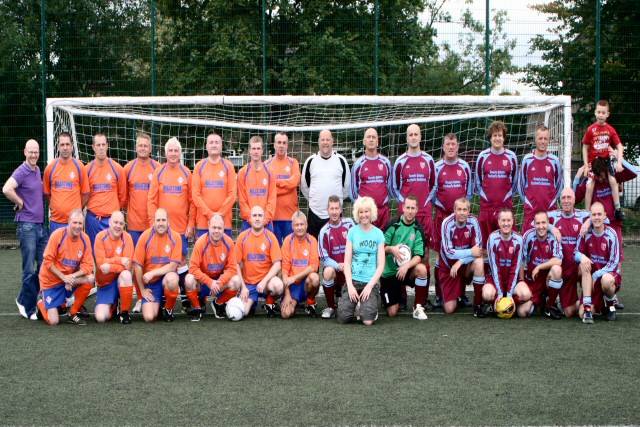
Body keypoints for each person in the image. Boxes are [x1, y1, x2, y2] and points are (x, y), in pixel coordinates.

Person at [3, 139, 48, 319]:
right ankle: (29, 309)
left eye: (36, 152)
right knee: (29, 269)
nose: (34, 155)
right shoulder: (22, 170)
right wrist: (20, 202)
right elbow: (7, 188)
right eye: (31, 152)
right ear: (24, 152)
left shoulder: (36, 170)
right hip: (27, 226)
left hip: (39, 226)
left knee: (44, 266)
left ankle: (23, 299)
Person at [430, 132, 473, 308]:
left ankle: (461, 294)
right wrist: (448, 211)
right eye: (447, 144)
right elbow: (432, 193)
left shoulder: (464, 167)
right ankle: (441, 294)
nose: (450, 147)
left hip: (461, 218)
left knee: (462, 252)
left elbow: (469, 193)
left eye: (453, 144)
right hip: (442, 216)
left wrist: (459, 211)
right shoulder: (437, 167)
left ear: (457, 146)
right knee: (442, 256)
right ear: (443, 146)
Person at [36, 209, 94, 326]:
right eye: (74, 223)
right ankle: (41, 302)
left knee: (90, 278)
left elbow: (88, 265)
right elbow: (47, 261)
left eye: (80, 223)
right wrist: (63, 277)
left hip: (68, 279)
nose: (77, 226)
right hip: (51, 281)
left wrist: (71, 277)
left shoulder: (85, 238)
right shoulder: (57, 235)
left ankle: (72, 313)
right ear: (68, 222)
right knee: (53, 321)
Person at [185, 214, 242, 321]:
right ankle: (197, 308)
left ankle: (218, 304)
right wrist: (209, 282)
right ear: (208, 226)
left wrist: (219, 282)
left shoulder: (229, 242)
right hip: (204, 283)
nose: (216, 231)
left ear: (224, 228)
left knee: (236, 281)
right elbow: (192, 268)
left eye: (219, 228)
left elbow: (232, 268)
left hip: (219, 284)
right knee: (189, 279)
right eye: (214, 227)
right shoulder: (201, 242)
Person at [380, 195, 429, 320]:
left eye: (413, 208)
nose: (410, 211)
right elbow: (380, 248)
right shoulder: (393, 224)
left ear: (417, 209)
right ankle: (387, 295)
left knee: (422, 269)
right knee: (392, 312)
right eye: (408, 207)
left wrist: (406, 266)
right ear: (403, 208)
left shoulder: (418, 229)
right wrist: (392, 249)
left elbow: (418, 256)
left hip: (406, 271)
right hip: (390, 273)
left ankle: (418, 307)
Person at [338, 196, 385, 326]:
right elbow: (346, 263)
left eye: (366, 211)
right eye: (361, 212)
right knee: (343, 318)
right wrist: (350, 286)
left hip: (369, 283)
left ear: (372, 213)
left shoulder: (378, 234)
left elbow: (381, 265)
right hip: (353, 281)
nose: (364, 215)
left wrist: (370, 286)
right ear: (357, 214)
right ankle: (355, 304)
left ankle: (370, 305)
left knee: (368, 321)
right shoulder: (352, 232)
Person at [546, 188, 591, 318]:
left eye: (569, 197)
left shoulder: (582, 215)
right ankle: (577, 303)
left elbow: (604, 219)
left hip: (578, 267)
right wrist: (551, 227)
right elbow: (534, 222)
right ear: (560, 200)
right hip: (564, 270)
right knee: (569, 312)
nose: (566, 201)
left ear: (574, 199)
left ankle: (589, 302)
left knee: (586, 266)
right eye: (563, 198)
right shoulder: (554, 216)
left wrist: (588, 222)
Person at [148, 137, 194, 260]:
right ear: (166, 153)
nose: (173, 153)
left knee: (181, 262)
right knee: (162, 261)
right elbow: (151, 200)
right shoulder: (158, 172)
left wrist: (191, 224)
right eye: (170, 150)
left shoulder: (187, 173)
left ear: (180, 153)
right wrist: (153, 222)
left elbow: (192, 201)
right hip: (162, 227)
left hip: (181, 228)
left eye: (175, 150)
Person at [574, 202, 621, 324]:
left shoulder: (611, 234)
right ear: (590, 217)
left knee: (606, 280)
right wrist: (582, 257)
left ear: (605, 216)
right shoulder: (586, 232)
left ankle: (610, 304)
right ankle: (588, 309)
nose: (596, 217)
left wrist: (597, 275)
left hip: (607, 276)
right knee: (581, 313)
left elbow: (614, 262)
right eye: (593, 214)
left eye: (599, 214)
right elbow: (575, 252)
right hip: (591, 281)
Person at [133, 208, 182, 322]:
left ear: (168, 222)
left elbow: (173, 266)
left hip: (165, 278)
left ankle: (168, 309)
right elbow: (137, 265)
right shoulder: (145, 236)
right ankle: (159, 304)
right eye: (158, 220)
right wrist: (142, 291)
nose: (161, 223)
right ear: (153, 222)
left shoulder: (176, 237)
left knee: (173, 279)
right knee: (149, 317)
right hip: (151, 283)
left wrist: (152, 272)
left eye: (163, 220)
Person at [438, 198, 485, 316]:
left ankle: (478, 305)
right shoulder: (447, 223)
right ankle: (457, 295)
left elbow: (478, 251)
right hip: (449, 266)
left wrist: (461, 261)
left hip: (464, 265)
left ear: (469, 211)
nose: (462, 212)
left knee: (479, 262)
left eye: (465, 209)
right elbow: (448, 252)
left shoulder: (473, 222)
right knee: (449, 309)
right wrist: (469, 251)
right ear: (454, 210)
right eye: (459, 209)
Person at [234, 205, 284, 317]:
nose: (257, 218)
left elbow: (277, 264)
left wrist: (264, 281)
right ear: (249, 219)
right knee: (243, 313)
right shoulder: (242, 237)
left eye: (260, 215)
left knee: (278, 286)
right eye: (254, 215)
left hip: (265, 284)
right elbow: (236, 264)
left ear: (264, 218)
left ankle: (269, 302)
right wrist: (243, 287)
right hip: (249, 285)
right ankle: (252, 302)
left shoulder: (271, 237)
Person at [474, 121, 518, 244]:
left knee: (506, 243)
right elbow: (478, 182)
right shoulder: (482, 156)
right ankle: (486, 264)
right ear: (490, 138)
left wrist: (506, 198)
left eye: (499, 135)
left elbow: (514, 183)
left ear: (504, 138)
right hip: (486, 208)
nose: (497, 138)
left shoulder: (511, 157)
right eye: (494, 135)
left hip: (505, 208)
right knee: (485, 244)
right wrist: (486, 198)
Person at [301, 129, 351, 237]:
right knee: (314, 249)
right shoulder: (310, 161)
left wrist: (336, 205)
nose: (325, 142)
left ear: (332, 141)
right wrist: (315, 200)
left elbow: (346, 188)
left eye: (328, 139)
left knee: (337, 247)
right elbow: (304, 187)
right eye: (322, 140)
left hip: (335, 214)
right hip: (315, 214)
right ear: (318, 142)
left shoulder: (341, 160)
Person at [485, 209, 532, 318]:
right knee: (487, 294)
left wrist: (509, 295)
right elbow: (494, 269)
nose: (506, 223)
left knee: (526, 294)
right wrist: (501, 293)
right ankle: (495, 305)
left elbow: (515, 269)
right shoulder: (492, 238)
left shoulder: (519, 239)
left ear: (513, 221)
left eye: (508, 220)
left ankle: (510, 304)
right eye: (503, 220)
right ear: (498, 222)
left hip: (513, 280)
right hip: (495, 278)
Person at [582, 100, 625, 219]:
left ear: (607, 114)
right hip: (594, 161)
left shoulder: (610, 130)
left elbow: (620, 146)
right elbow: (585, 147)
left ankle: (617, 209)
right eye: (599, 112)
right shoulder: (591, 129)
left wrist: (619, 163)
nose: (601, 114)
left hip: (606, 160)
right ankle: (586, 212)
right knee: (589, 185)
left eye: (603, 112)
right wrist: (586, 165)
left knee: (613, 180)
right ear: (595, 113)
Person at [192, 131, 237, 239]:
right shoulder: (199, 166)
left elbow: (232, 195)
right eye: (211, 142)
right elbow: (195, 195)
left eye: (217, 142)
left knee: (224, 255)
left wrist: (219, 214)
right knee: (204, 255)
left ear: (221, 146)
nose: (214, 145)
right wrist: (210, 215)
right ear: (206, 146)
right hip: (203, 222)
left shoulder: (229, 166)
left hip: (224, 222)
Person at [518, 125, 563, 232]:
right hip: (531, 209)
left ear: (549, 140)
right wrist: (528, 202)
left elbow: (559, 185)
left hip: (549, 209)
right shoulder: (527, 160)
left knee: (549, 243)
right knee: (529, 241)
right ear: (535, 139)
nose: (543, 141)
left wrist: (552, 201)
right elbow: (521, 185)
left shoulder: (554, 161)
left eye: (545, 138)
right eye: (540, 138)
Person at [93, 211, 135, 324]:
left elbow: (128, 266)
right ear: (110, 223)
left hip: (121, 280)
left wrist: (110, 265)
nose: (118, 226)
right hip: (105, 283)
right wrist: (120, 260)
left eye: (121, 223)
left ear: (124, 225)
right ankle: (113, 305)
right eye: (115, 222)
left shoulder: (127, 238)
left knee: (126, 275)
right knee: (100, 317)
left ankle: (124, 313)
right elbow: (101, 265)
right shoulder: (100, 237)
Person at [42, 132, 89, 232]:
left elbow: (85, 194)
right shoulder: (50, 168)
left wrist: (76, 208)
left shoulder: (80, 167)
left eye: (67, 144)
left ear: (72, 146)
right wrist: (57, 207)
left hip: (75, 223)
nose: (65, 147)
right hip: (56, 222)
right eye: (62, 145)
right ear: (58, 147)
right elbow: (47, 194)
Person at [85, 133, 127, 244]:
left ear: (107, 146)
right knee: (94, 255)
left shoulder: (117, 169)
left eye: (103, 144)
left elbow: (122, 197)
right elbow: (84, 195)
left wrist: (110, 211)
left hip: (111, 221)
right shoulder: (87, 170)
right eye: (98, 145)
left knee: (111, 254)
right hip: (93, 220)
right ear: (93, 147)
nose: (101, 147)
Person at [318, 195, 355, 319]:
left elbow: (357, 246)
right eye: (331, 209)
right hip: (336, 270)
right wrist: (339, 265)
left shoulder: (349, 224)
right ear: (327, 210)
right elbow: (324, 258)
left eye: (336, 208)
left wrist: (347, 264)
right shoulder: (324, 231)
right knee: (327, 272)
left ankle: (358, 303)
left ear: (341, 210)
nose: (334, 212)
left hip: (350, 268)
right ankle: (331, 307)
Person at [521, 211, 563, 319]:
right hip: (533, 280)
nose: (541, 227)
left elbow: (558, 260)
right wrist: (521, 282)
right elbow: (521, 261)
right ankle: (540, 301)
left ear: (548, 223)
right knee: (523, 312)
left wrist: (539, 267)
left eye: (544, 223)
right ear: (534, 224)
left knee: (557, 269)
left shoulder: (554, 236)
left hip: (547, 279)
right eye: (538, 223)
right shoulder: (528, 236)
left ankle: (550, 305)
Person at [280, 211, 320, 318]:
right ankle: (295, 302)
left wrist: (295, 277)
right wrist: (287, 294)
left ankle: (310, 301)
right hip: (292, 286)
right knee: (286, 314)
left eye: (302, 224)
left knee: (314, 278)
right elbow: (284, 269)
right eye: (296, 225)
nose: (299, 228)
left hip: (306, 284)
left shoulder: (312, 240)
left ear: (306, 225)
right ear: (292, 226)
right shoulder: (288, 240)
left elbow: (314, 266)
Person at [350, 128, 393, 229]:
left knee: (384, 242)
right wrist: (362, 207)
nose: (371, 139)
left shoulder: (386, 162)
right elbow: (353, 192)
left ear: (378, 142)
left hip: (383, 212)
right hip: (365, 215)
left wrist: (383, 202)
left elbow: (390, 188)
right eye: (368, 137)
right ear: (364, 141)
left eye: (374, 137)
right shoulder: (358, 164)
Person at [123, 132, 159, 246]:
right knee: (135, 260)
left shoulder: (158, 168)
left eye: (145, 146)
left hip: (152, 223)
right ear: (136, 148)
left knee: (151, 259)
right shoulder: (128, 168)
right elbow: (124, 196)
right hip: (134, 224)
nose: (143, 148)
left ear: (150, 149)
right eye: (140, 145)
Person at [265, 132, 301, 244]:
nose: (281, 145)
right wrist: (287, 185)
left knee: (290, 252)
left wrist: (276, 183)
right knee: (275, 252)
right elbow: (267, 189)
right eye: (279, 142)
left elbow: (295, 182)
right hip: (273, 217)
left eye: (284, 143)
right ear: (274, 144)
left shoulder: (293, 162)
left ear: (287, 145)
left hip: (290, 217)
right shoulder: (266, 164)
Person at [237, 136, 277, 231]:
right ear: (249, 151)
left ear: (262, 151)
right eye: (253, 148)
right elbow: (242, 200)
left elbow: (272, 198)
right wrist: (252, 219)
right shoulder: (242, 173)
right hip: (248, 221)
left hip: (266, 222)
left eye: (258, 148)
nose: (256, 151)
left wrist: (265, 219)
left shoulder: (270, 172)